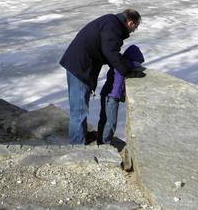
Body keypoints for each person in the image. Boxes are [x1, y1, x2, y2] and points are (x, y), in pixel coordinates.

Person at [59, 8, 141, 145]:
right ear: (131, 23)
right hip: (80, 68)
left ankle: (80, 138)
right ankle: (77, 149)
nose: (133, 31)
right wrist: (126, 70)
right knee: (79, 112)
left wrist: (119, 63)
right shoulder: (113, 26)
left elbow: (107, 50)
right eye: (135, 28)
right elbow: (110, 52)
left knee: (79, 110)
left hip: (77, 64)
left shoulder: (110, 21)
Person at [97, 44, 144, 145]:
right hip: (111, 97)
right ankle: (105, 143)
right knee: (111, 122)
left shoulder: (119, 62)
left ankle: (100, 142)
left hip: (106, 94)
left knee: (105, 119)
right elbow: (133, 65)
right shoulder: (123, 65)